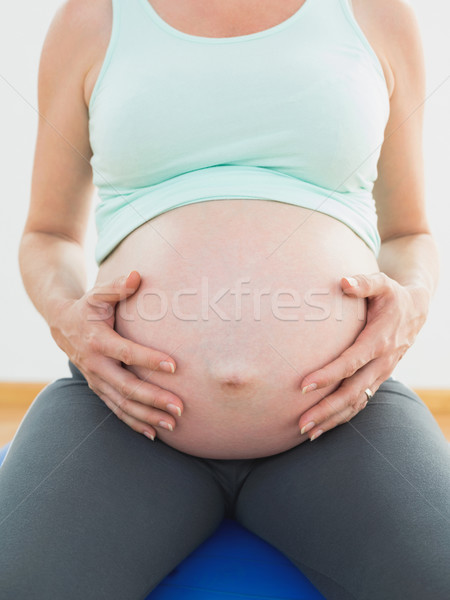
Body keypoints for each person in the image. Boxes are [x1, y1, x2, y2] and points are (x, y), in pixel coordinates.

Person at [1, 0, 449, 598]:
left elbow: (408, 233)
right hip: (121, 416)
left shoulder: (375, 15)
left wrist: (411, 304)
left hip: (344, 417)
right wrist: (67, 321)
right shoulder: (92, 19)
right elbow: (48, 235)